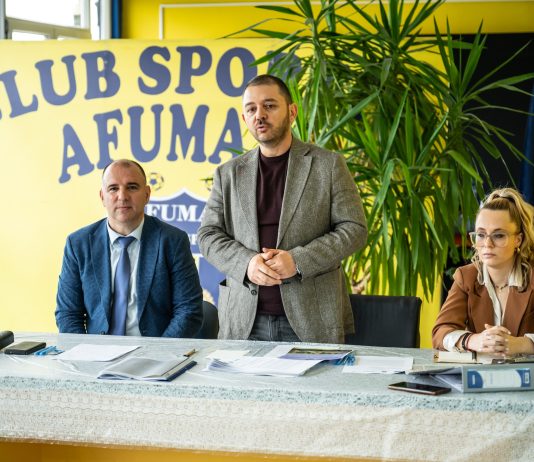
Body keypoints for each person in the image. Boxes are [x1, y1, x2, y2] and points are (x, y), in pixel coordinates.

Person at [198, 74, 367, 343]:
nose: (260, 115)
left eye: (269, 105)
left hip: (312, 319)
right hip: (243, 321)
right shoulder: (228, 173)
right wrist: (247, 263)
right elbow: (208, 235)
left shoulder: (328, 165)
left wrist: (298, 261)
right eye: (251, 109)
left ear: (292, 112)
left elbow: (354, 229)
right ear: (244, 119)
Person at [55, 159, 203, 337]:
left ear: (147, 194)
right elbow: (68, 314)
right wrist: (86, 350)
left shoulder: (173, 241)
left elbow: (188, 310)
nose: (122, 196)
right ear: (102, 196)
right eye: (113, 188)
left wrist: (159, 351)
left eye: (132, 187)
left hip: (155, 350)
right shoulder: (78, 244)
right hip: (96, 351)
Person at [432, 187, 534, 356]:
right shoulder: (466, 277)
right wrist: (472, 340)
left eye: (498, 235)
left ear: (518, 239)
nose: (487, 244)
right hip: (480, 371)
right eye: (480, 235)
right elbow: (440, 332)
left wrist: (523, 344)